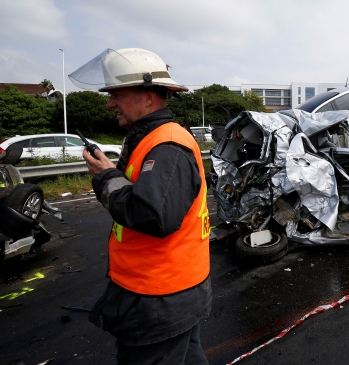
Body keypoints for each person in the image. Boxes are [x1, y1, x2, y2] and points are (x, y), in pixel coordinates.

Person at [69, 48, 212, 365]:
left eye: (116, 94)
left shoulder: (166, 145)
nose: (109, 103)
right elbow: (143, 193)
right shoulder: (150, 138)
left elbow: (154, 216)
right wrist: (111, 175)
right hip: (171, 291)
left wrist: (106, 178)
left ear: (148, 97)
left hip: (160, 298)